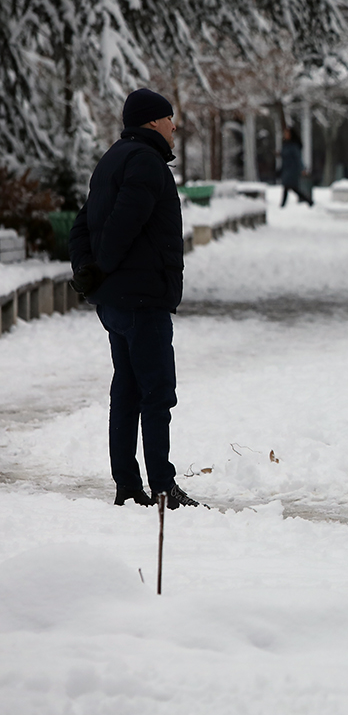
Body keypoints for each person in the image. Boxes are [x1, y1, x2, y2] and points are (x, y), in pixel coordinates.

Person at [68, 88, 199, 510]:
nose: (174, 126)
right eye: (169, 118)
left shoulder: (112, 158)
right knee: (157, 393)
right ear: (153, 121)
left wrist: (89, 271)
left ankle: (127, 486)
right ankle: (162, 488)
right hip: (142, 300)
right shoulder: (145, 161)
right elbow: (124, 222)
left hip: (118, 302)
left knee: (126, 391)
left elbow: (81, 224)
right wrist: (101, 267)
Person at [279, 127, 312, 207]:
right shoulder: (285, 144)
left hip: (292, 170)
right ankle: (309, 201)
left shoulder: (294, 146)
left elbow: (298, 158)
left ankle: (282, 205)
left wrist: (302, 168)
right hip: (286, 169)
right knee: (291, 187)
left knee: (289, 187)